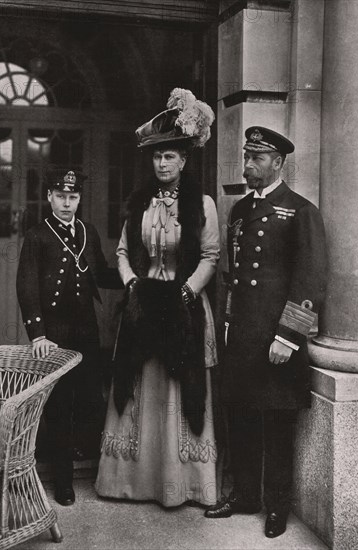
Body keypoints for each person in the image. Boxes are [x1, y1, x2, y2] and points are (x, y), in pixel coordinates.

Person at [95, 88, 219, 508]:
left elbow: (210, 256)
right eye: (156, 157)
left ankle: (181, 483)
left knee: (178, 388)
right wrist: (132, 284)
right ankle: (132, 481)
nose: (161, 164)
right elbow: (124, 253)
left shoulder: (201, 204)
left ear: (184, 160)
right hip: (143, 301)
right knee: (136, 384)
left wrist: (187, 291)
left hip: (184, 304)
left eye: (169, 156)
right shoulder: (139, 204)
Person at [205, 127, 327, 538]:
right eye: (247, 156)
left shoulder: (300, 211)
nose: (249, 165)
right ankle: (243, 496)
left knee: (277, 426)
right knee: (240, 417)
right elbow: (233, 276)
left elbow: (310, 281)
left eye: (258, 158)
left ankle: (277, 508)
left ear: (278, 162)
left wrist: (288, 338)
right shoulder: (239, 210)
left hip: (277, 341)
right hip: (241, 337)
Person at [16, 170, 122, 506]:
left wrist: (136, 275)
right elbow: (27, 287)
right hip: (55, 334)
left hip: (86, 331)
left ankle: (83, 461)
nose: (66, 203)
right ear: (49, 197)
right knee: (59, 405)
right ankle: (63, 481)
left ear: (79, 199)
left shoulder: (87, 232)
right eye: (60, 196)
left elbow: (102, 273)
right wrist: (38, 334)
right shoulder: (37, 236)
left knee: (89, 397)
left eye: (73, 197)